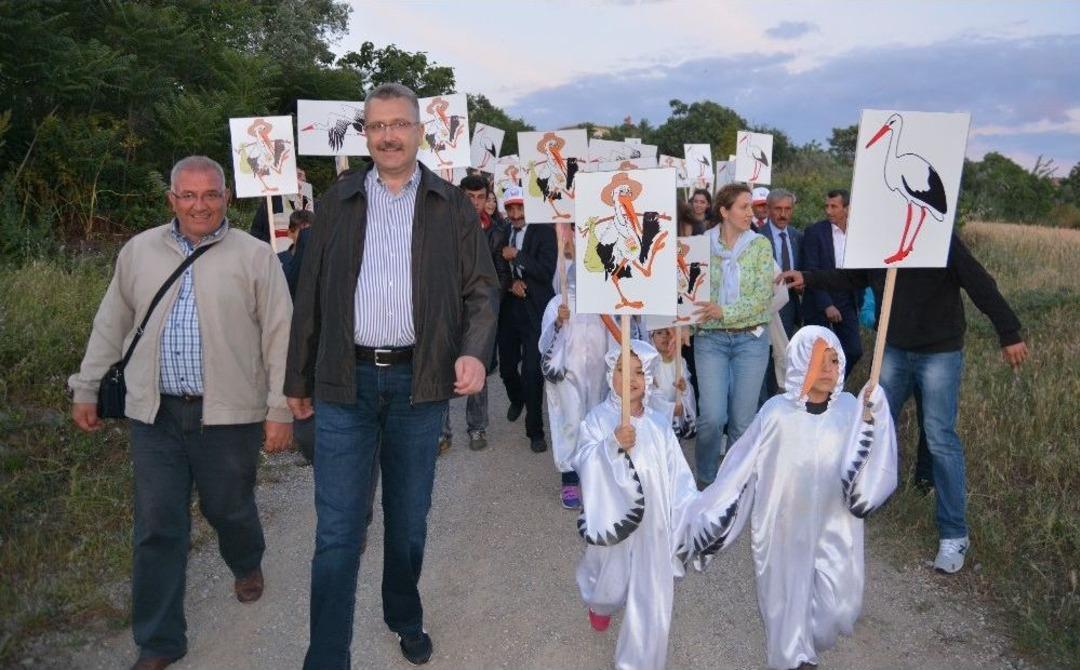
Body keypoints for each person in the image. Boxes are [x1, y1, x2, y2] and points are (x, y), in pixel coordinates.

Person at [284, 83, 499, 668]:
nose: (388, 136)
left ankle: (403, 613)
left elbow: (482, 289)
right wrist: (296, 382)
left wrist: (476, 351)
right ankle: (327, 654)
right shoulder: (338, 200)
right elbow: (309, 298)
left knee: (408, 523)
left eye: (398, 124)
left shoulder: (450, 203)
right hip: (343, 383)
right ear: (365, 133)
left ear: (419, 130)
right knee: (337, 531)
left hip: (419, 385)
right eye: (377, 126)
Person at [68, 156, 293, 670]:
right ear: (171, 199)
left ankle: (245, 560)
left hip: (228, 415)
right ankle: (159, 640)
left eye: (210, 194)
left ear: (226, 198)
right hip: (155, 414)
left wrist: (279, 407)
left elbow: (280, 335)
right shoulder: (140, 251)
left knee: (228, 507)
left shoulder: (257, 256)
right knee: (157, 524)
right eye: (188, 195)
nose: (200, 205)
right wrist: (86, 386)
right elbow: (112, 321)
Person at [778, 233, 1029, 573]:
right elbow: (852, 277)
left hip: (939, 352)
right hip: (892, 349)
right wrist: (808, 276)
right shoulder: (883, 235)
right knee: (871, 425)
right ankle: (854, 505)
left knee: (940, 438)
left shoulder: (941, 238)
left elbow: (978, 282)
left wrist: (1009, 332)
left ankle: (954, 534)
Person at [682, 326, 898, 670]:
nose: (829, 369)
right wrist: (707, 521)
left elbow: (870, 463)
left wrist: (875, 415)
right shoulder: (776, 414)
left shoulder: (848, 410)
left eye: (834, 360)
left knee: (840, 609)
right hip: (782, 527)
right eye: (819, 360)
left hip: (836, 525)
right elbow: (738, 470)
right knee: (785, 604)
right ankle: (793, 658)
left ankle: (806, 643)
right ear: (799, 363)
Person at [573, 340, 698, 670]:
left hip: (654, 526)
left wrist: (689, 513)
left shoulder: (658, 425)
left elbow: (678, 475)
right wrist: (611, 445)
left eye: (639, 372)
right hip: (615, 519)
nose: (630, 378)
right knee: (608, 584)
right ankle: (600, 603)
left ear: (651, 379)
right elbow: (583, 460)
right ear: (609, 374)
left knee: (651, 594)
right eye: (621, 370)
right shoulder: (598, 420)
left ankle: (638, 661)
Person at [692, 183, 775, 487]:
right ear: (724, 211)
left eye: (751, 206)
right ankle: (705, 481)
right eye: (744, 207)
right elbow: (689, 292)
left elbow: (762, 296)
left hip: (750, 341)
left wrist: (723, 311)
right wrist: (686, 323)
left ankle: (734, 484)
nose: (750, 213)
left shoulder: (760, 246)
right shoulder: (700, 245)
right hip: (710, 340)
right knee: (712, 418)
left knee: (742, 421)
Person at [437, 174, 511, 453]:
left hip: (478, 314)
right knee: (441, 368)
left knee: (477, 368)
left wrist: (488, 308)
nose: (476, 203)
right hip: (447, 311)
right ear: (461, 196)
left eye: (481, 197)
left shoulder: (497, 231)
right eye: (470, 197)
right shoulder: (443, 227)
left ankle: (477, 427)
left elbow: (500, 275)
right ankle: (442, 432)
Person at [539, 243, 613, 509]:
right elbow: (544, 344)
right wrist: (558, 322)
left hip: (598, 373)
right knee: (570, 422)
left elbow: (616, 337)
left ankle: (593, 476)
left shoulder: (605, 303)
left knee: (596, 420)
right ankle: (570, 478)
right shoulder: (557, 304)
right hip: (568, 376)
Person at [497, 185, 557, 453]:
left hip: (536, 310)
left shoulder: (544, 231)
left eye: (520, 207)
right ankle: (517, 397)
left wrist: (518, 256)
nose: (516, 213)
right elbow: (495, 267)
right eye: (511, 208)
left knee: (532, 372)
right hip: (510, 309)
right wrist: (511, 284)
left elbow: (545, 271)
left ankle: (535, 431)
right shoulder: (501, 232)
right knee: (507, 367)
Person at [801, 189, 863, 375]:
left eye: (834, 206)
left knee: (853, 350)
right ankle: (814, 394)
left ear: (847, 208)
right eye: (826, 206)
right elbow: (811, 270)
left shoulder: (857, 233)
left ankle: (833, 386)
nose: (828, 211)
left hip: (847, 299)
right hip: (819, 300)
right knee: (817, 354)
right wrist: (827, 304)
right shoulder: (814, 232)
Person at [649, 326, 697, 438]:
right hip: (659, 414)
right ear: (651, 338)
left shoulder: (680, 361)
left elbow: (687, 389)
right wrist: (669, 408)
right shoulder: (651, 365)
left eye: (668, 332)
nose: (665, 336)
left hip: (677, 411)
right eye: (659, 332)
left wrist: (684, 388)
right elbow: (651, 395)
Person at [250, 167, 313, 245]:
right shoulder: (272, 202)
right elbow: (257, 232)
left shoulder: (310, 206)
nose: (303, 179)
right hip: (276, 254)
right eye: (299, 175)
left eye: (304, 178)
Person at [278, 209, 315, 296]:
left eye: (312, 232)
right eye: (303, 232)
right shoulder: (278, 262)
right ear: (290, 233)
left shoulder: (324, 261)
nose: (307, 237)